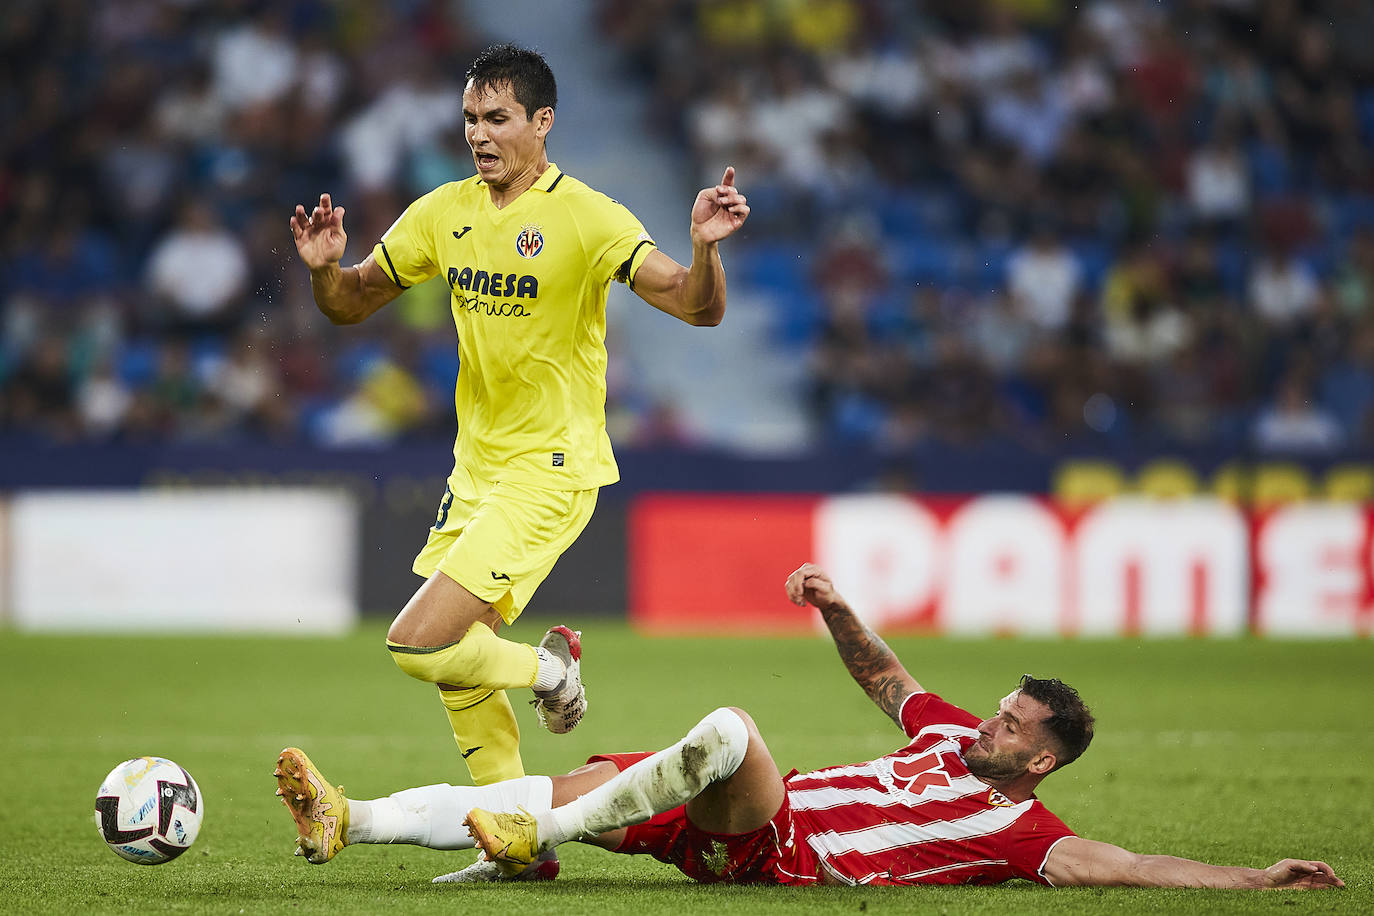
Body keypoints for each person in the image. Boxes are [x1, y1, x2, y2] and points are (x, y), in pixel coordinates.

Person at [285, 43, 748, 881]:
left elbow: (694, 306)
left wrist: (706, 248)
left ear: (542, 123)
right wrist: (324, 273)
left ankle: (550, 668)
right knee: (461, 672)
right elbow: (353, 301)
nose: (479, 134)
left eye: (497, 118)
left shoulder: (591, 217)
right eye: (469, 118)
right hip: (477, 472)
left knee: (419, 644)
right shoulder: (443, 212)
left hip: (553, 467)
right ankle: (517, 849)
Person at [274, 563, 1344, 891]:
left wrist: (1253, 882)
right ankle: (349, 818)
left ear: (1041, 758)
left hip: (782, 847)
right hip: (725, 824)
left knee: (733, 726)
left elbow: (1128, 863)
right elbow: (886, 675)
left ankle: (537, 848)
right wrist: (838, 609)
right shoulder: (947, 736)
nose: (991, 720)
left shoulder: (1020, 832)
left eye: (1013, 721)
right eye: (1001, 708)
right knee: (565, 789)